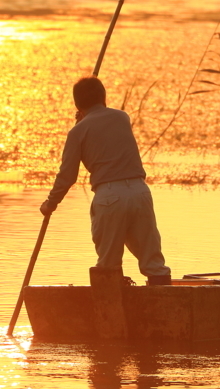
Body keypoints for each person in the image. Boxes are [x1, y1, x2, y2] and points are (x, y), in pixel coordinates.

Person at [39, 76, 172, 286]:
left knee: (108, 264)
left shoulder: (77, 132)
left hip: (109, 197)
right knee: (153, 261)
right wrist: (84, 119)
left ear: (77, 105)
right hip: (140, 192)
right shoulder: (122, 117)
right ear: (104, 97)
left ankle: (109, 313)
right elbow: (103, 125)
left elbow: (67, 176)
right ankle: (165, 307)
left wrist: (50, 203)